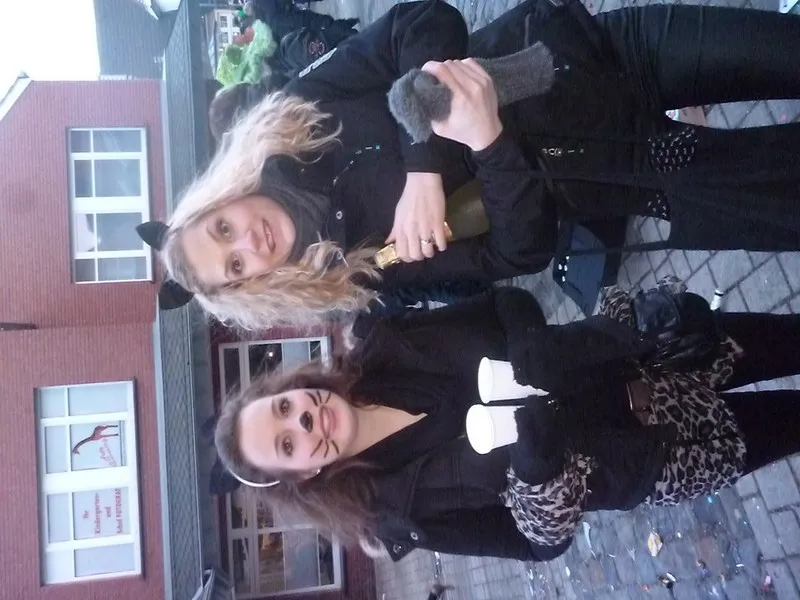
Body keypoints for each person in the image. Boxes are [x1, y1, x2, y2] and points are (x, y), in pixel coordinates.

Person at [146, 0, 800, 330]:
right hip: (631, 176)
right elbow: (518, 253)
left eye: (223, 229)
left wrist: (424, 164)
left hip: (597, 59)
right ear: (252, 285)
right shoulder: (363, 273)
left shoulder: (300, 113)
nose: (247, 243)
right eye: (235, 266)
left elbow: (420, 21)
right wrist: (488, 144)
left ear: (222, 198)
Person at [213, 279, 800, 562]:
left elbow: (503, 302)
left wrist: (528, 341)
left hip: (652, 348)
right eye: (287, 444)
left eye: (285, 407)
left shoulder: (384, 343)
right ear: (303, 477)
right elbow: (536, 546)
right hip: (661, 449)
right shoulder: (401, 516)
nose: (305, 421)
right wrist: (538, 475)